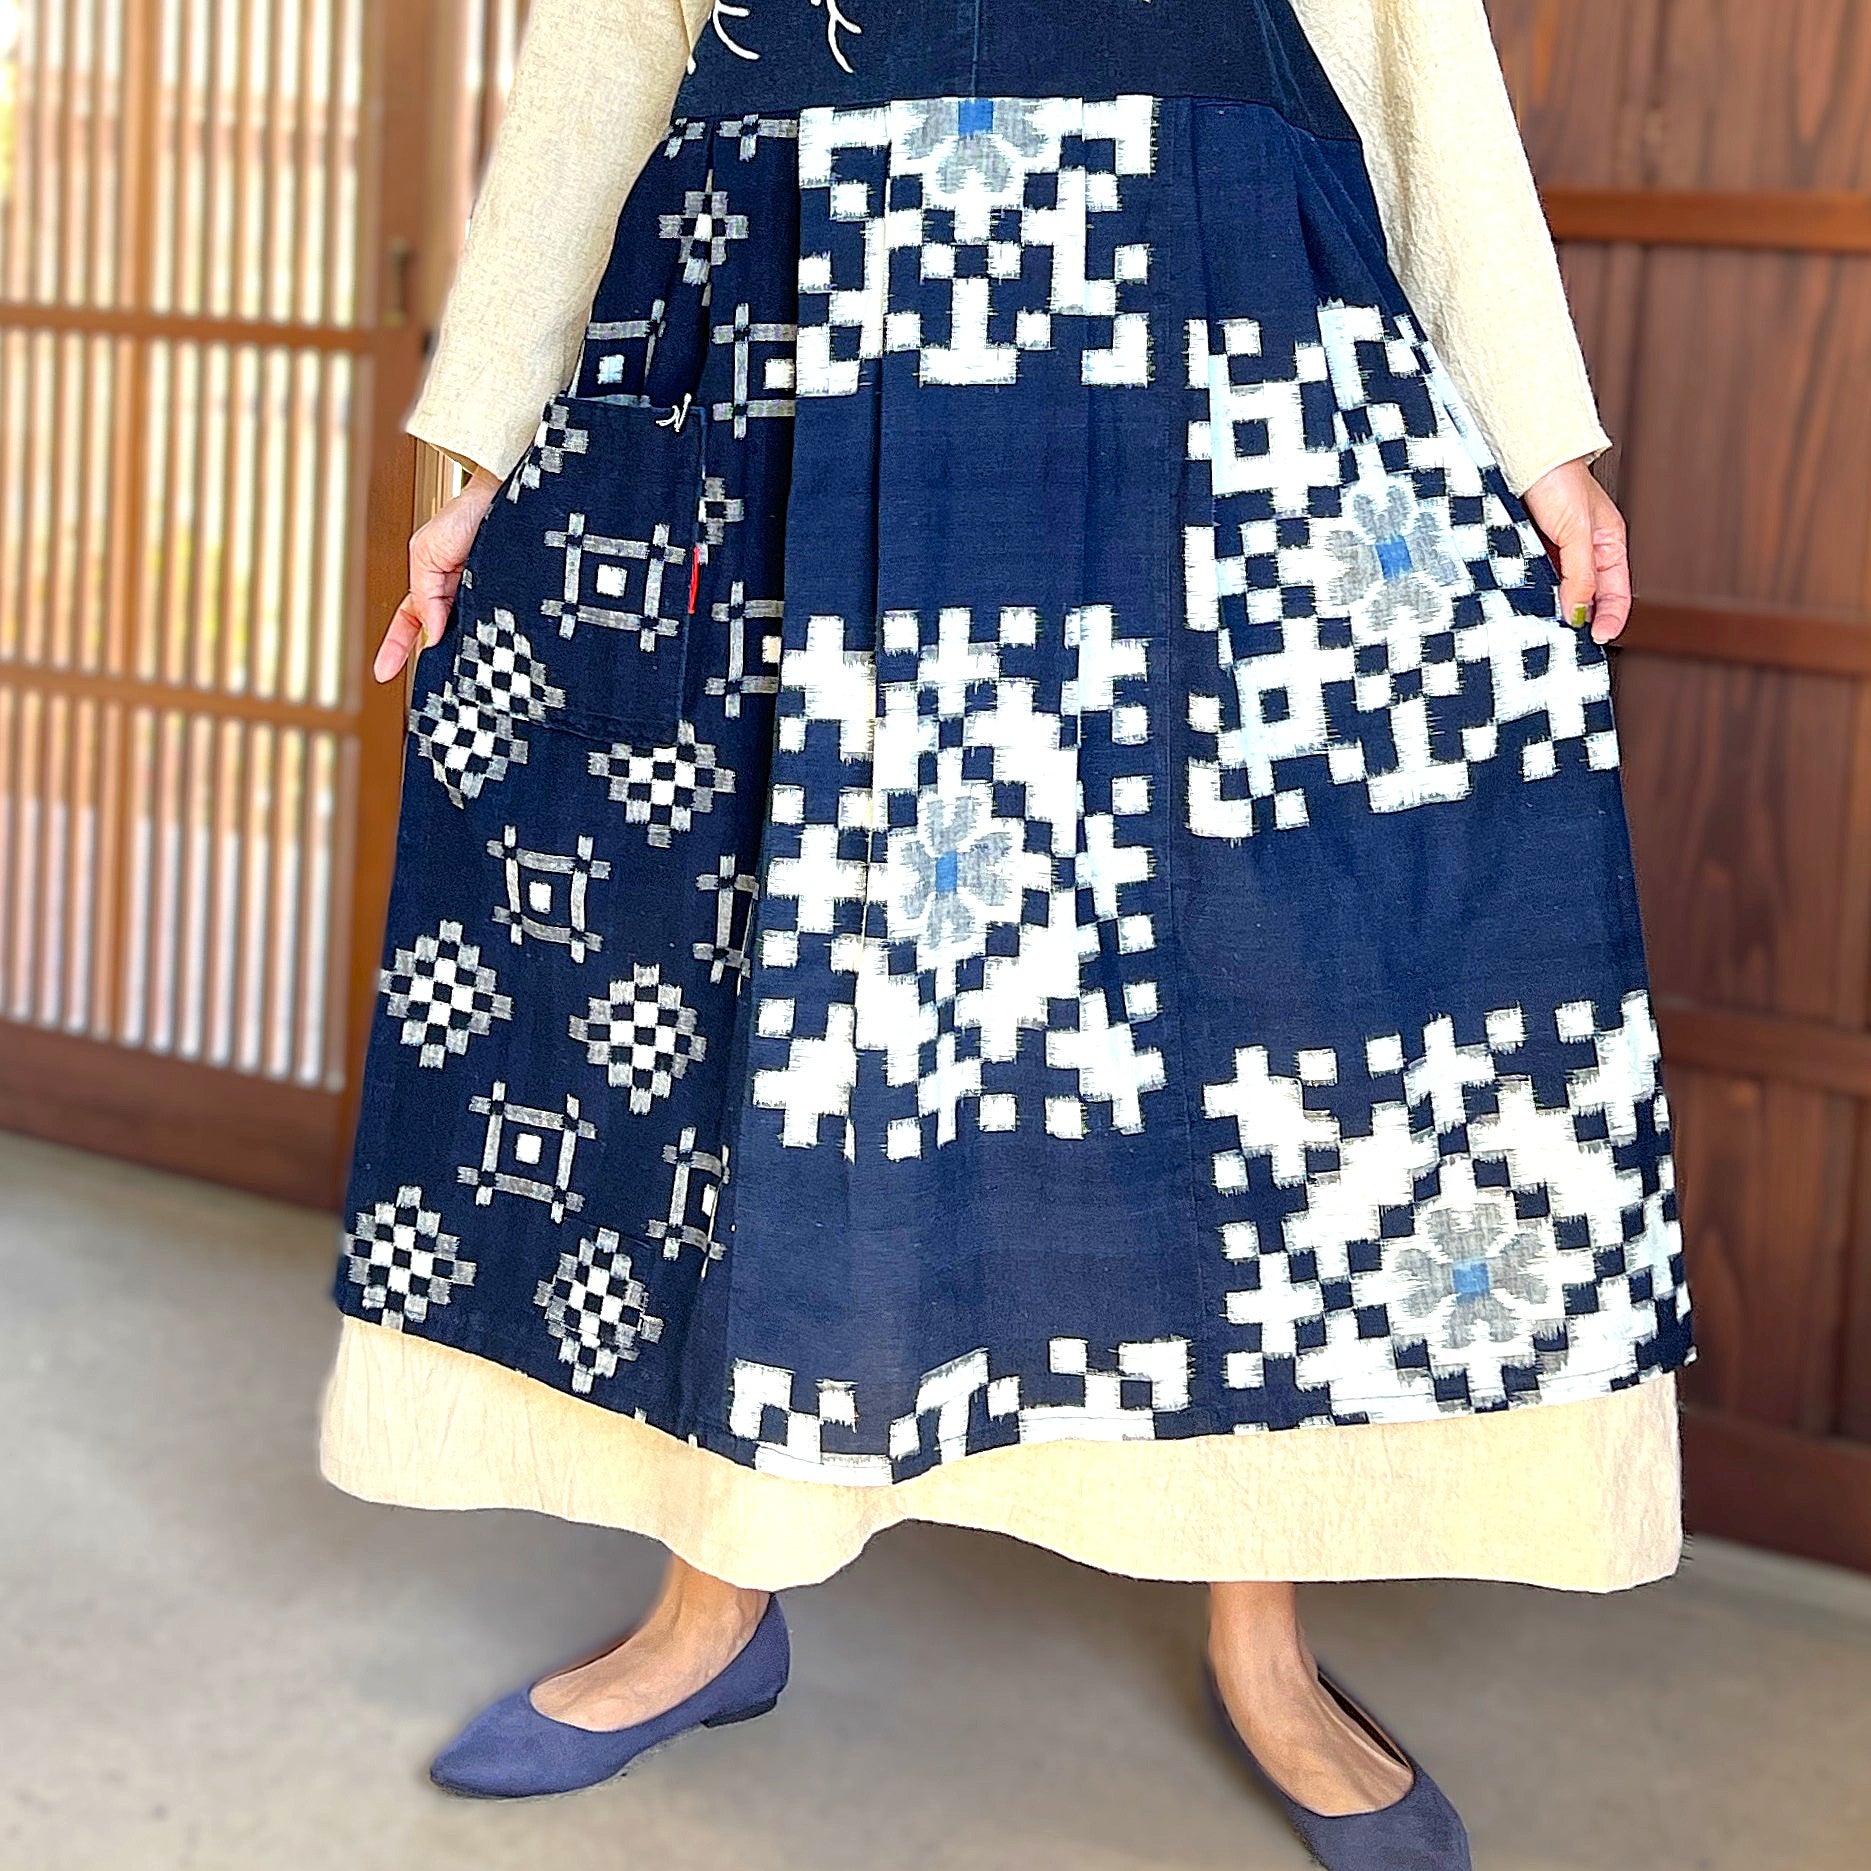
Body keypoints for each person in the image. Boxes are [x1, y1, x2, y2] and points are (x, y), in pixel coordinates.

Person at [320, 2, 1692, 1861]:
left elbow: (1410, 46)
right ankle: (713, 1597)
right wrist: (478, 448)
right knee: (755, 982)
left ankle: (1265, 1644)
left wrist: (1539, 430)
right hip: (788, 327)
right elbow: (604, 61)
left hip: (1206, 313)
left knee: (1253, 998)